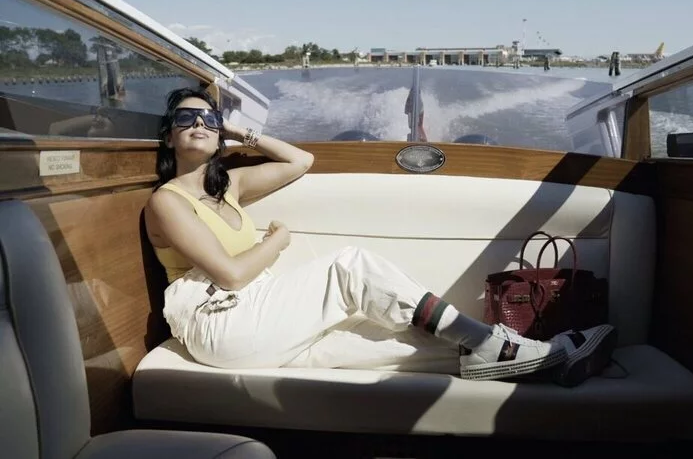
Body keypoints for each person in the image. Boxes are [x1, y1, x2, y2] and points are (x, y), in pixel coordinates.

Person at [145, 86, 616, 385]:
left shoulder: (228, 185)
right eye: (186, 120)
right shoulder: (167, 201)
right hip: (221, 322)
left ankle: (545, 360)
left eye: (208, 119)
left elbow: (300, 161)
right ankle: (502, 344)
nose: (199, 125)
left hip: (259, 319)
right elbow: (230, 275)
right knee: (349, 266)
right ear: (169, 137)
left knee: (393, 343)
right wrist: (276, 241)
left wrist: (236, 130)